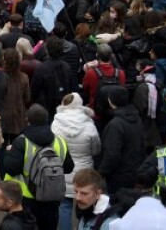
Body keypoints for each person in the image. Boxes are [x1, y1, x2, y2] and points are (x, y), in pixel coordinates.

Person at [3, 104, 71, 230]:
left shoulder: (21, 142)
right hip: (52, 196)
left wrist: (9, 153)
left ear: (28, 121)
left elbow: (11, 169)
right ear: (47, 120)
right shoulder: (60, 141)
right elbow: (68, 167)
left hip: (28, 198)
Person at [51, 93, 101, 230]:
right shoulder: (89, 123)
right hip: (84, 170)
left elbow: (53, 147)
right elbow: (96, 148)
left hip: (63, 169)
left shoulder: (56, 122)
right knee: (85, 203)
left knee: (64, 205)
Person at [97, 88, 142, 194]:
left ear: (110, 101)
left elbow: (112, 154)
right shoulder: (136, 118)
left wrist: (101, 172)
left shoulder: (115, 124)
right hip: (134, 170)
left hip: (118, 176)